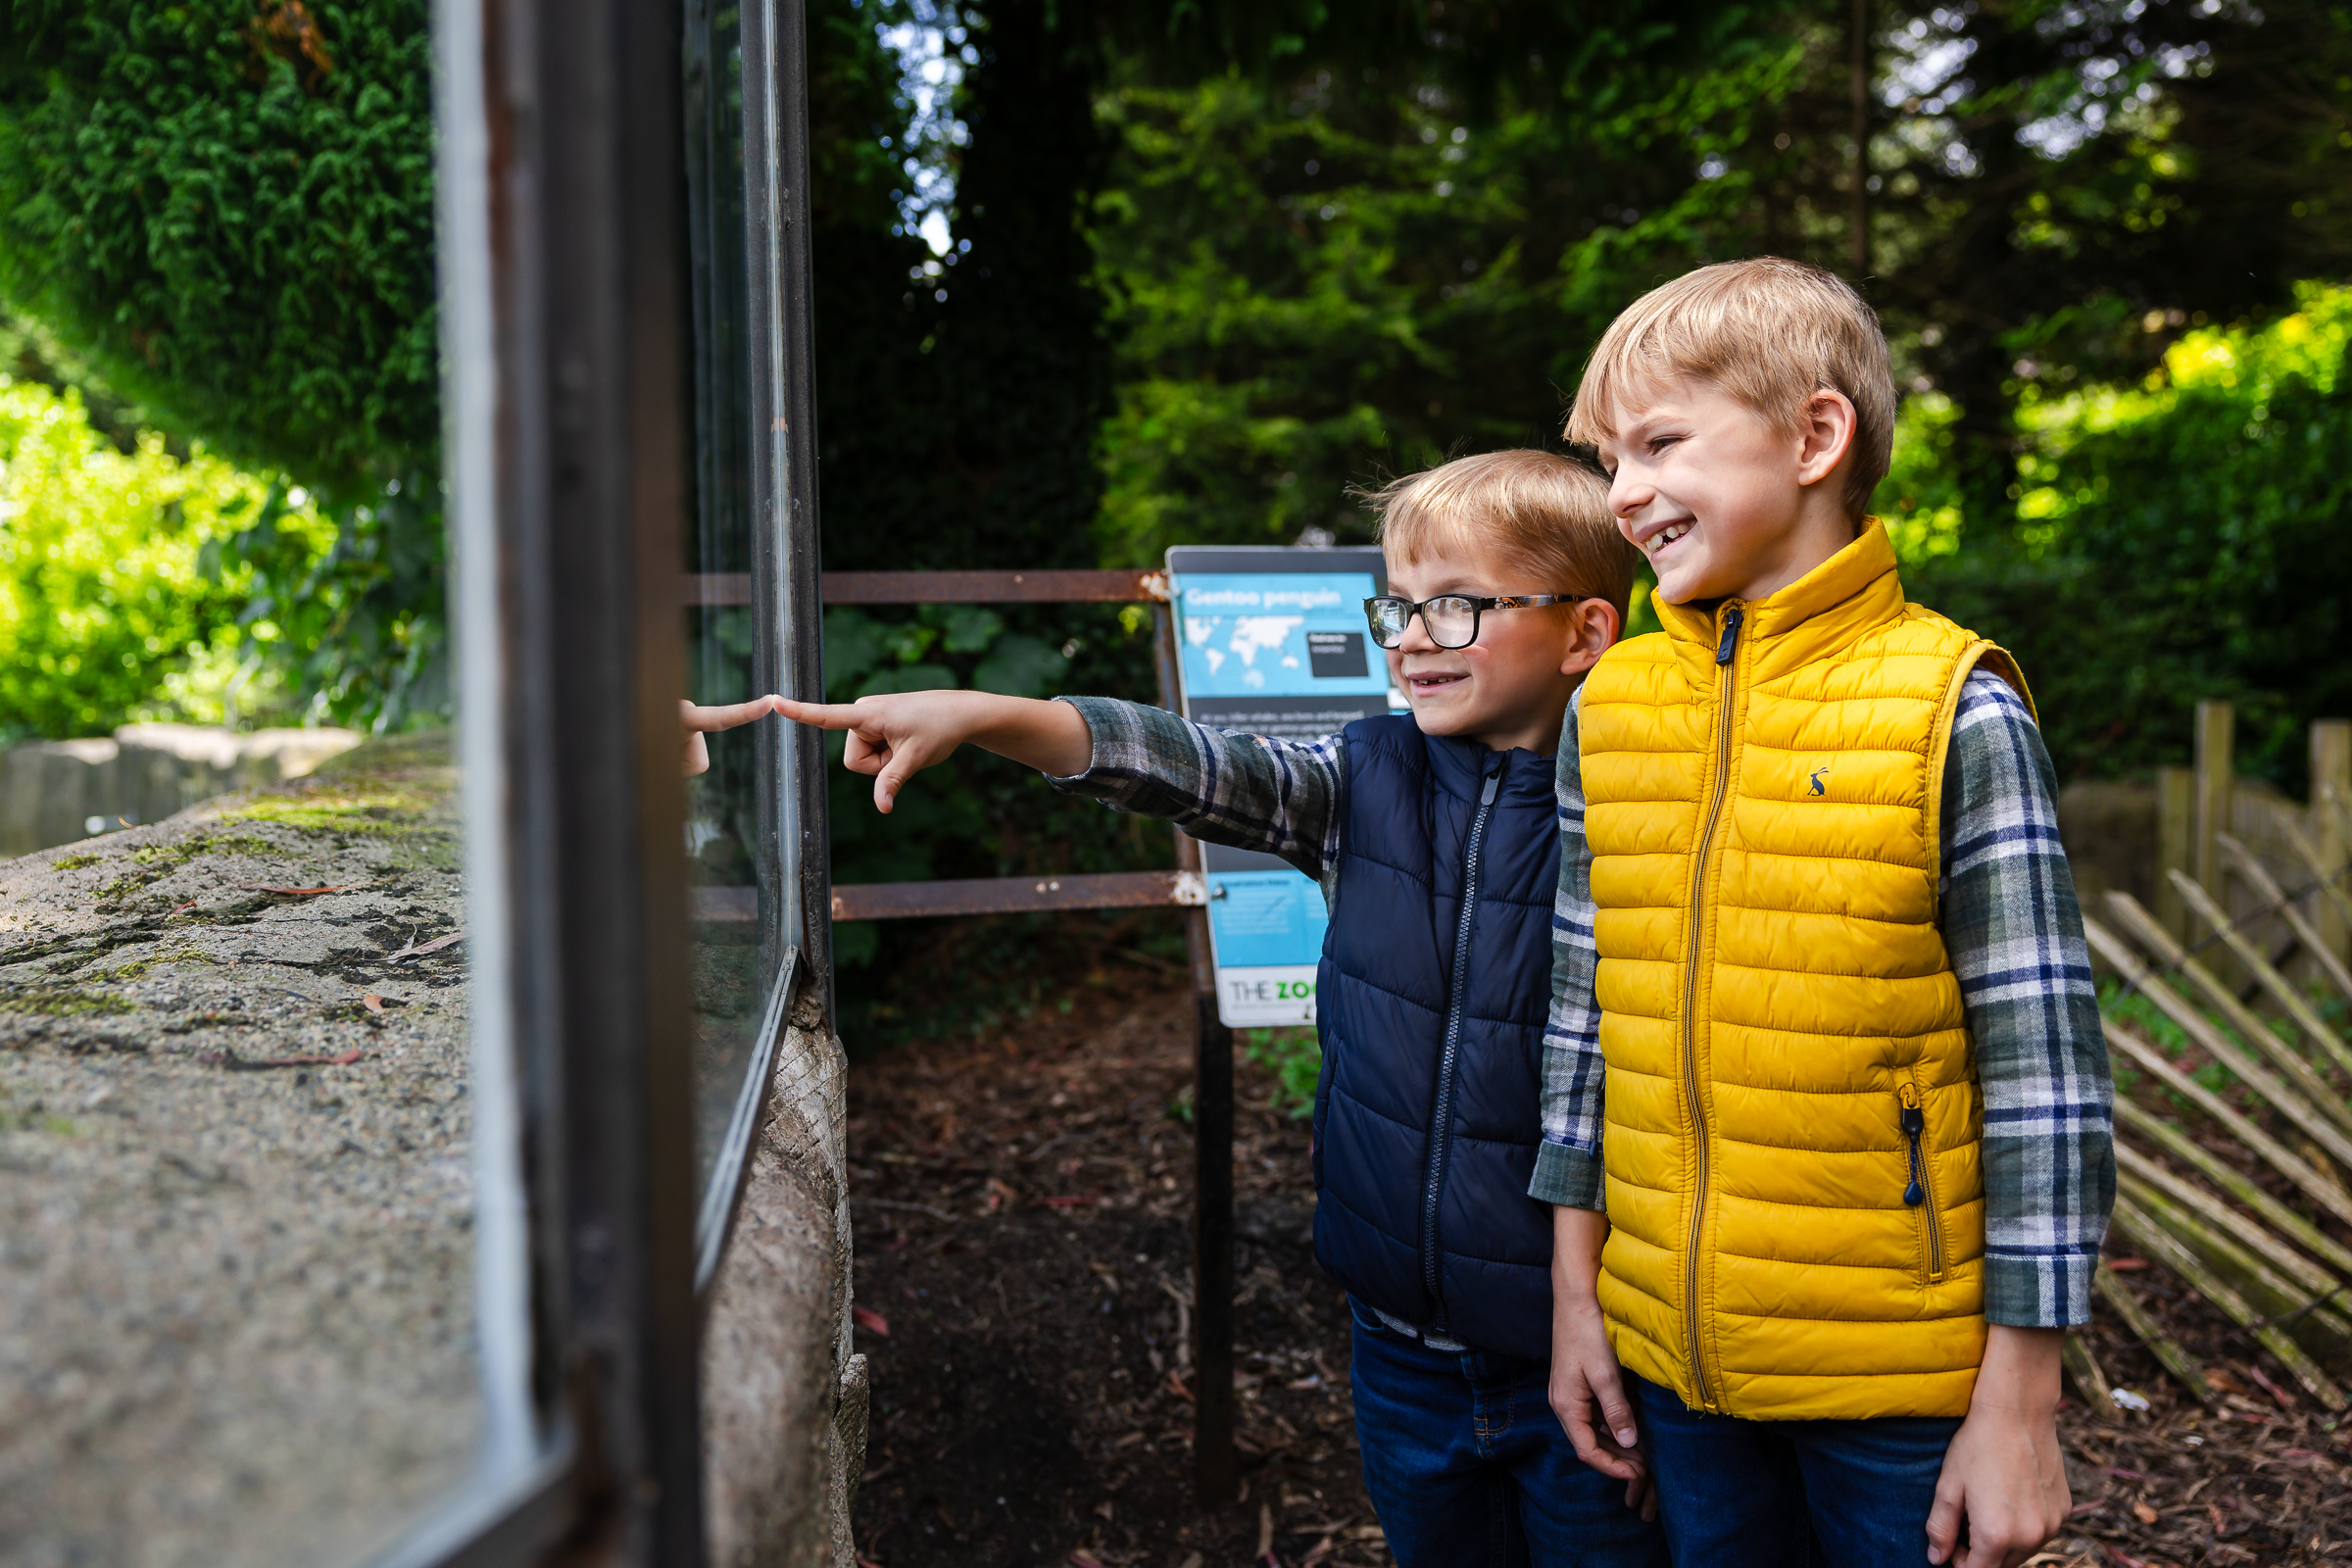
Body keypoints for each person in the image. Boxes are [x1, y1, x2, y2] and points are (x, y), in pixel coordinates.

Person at [778, 450, 1669, 1568]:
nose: (1407, 638)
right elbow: (1192, 765)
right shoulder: (1364, 779)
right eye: (1396, 606)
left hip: (1586, 1349)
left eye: (1454, 606)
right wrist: (988, 714)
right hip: (1398, 1348)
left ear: (1585, 633)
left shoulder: (1641, 811)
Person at [1535, 257, 2114, 1568]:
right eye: (1609, 460)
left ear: (1815, 437)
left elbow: (2045, 1075)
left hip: (1900, 1387)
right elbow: (1583, 1025)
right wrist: (1581, 1300)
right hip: (1675, 1368)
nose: (1621, 493)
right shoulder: (1610, 707)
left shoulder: (1955, 704)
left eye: (1659, 444)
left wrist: (2021, 1401)